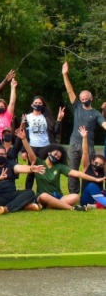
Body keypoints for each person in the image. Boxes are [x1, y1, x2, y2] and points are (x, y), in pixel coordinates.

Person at [22, 131, 104, 211]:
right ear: (49, 152)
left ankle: (51, 204)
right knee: (44, 196)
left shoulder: (59, 167)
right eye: (55, 154)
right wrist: (24, 139)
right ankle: (70, 208)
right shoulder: (39, 162)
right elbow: (30, 152)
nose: (56, 157)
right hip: (43, 196)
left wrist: (95, 179)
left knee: (75, 197)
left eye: (58, 157)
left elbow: (77, 173)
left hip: (58, 196)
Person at [62, 61, 106, 194]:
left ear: (91, 98)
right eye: (82, 98)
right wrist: (65, 74)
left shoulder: (96, 113)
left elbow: (104, 124)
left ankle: (89, 194)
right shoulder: (77, 107)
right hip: (75, 143)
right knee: (73, 170)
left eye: (86, 98)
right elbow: (70, 90)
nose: (84, 100)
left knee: (89, 170)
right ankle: (73, 195)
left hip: (89, 146)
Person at [0, 129, 45, 214]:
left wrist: (31, 169)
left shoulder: (10, 164)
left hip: (11, 194)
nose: (0, 156)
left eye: (2, 154)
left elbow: (20, 168)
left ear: (6, 155)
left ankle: (7, 208)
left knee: (30, 192)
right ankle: (24, 205)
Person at [23, 98, 64, 190]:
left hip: (45, 147)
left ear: (43, 105)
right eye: (35, 103)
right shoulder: (27, 117)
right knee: (31, 172)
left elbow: (55, 131)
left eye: (40, 103)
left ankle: (42, 192)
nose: (37, 104)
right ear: (32, 104)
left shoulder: (46, 117)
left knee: (43, 171)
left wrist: (59, 119)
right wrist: (24, 150)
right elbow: (23, 134)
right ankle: (27, 193)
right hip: (32, 147)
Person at [76, 127, 105, 209]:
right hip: (86, 199)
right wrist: (84, 137)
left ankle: (96, 206)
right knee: (91, 185)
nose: (98, 165)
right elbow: (85, 152)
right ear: (92, 161)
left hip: (99, 197)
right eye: (96, 163)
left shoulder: (103, 171)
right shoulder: (86, 168)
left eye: (101, 164)